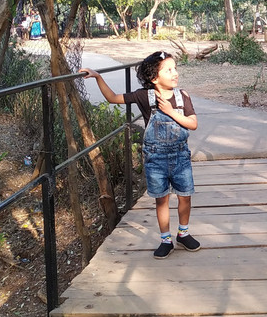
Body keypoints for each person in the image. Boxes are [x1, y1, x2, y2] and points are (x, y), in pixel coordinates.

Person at [85, 52, 200, 259]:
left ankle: (183, 233)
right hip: (155, 160)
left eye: (175, 68)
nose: (175, 73)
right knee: (161, 200)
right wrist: (97, 77)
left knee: (185, 196)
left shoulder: (183, 96)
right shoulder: (143, 96)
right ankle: (166, 239)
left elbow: (193, 123)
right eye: (169, 70)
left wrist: (172, 112)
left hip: (180, 157)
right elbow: (113, 98)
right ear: (154, 78)